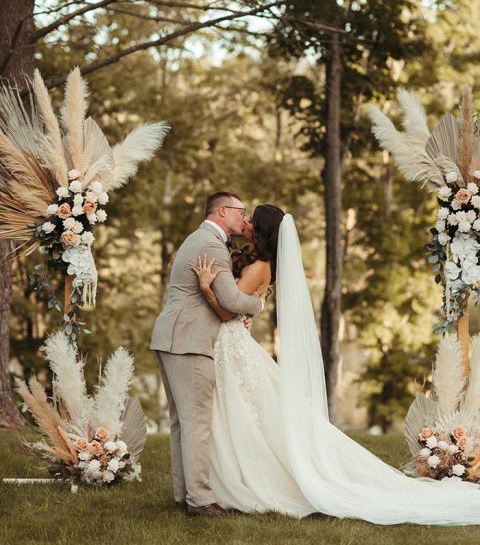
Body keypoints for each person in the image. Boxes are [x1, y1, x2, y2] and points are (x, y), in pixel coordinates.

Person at [194, 208, 480, 525]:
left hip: (231, 345)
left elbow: (229, 308)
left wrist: (207, 287)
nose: (245, 222)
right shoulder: (261, 263)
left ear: (261, 230)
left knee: (246, 413)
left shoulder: (261, 265)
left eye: (251, 220)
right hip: (231, 344)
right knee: (244, 413)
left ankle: (242, 479)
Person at [150, 192, 264, 517]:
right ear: (223, 211)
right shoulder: (212, 244)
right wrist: (260, 302)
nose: (245, 219)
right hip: (188, 339)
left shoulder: (199, 238)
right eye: (241, 212)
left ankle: (182, 494)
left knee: (181, 423)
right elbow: (231, 299)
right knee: (196, 423)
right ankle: (199, 500)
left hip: (170, 336)